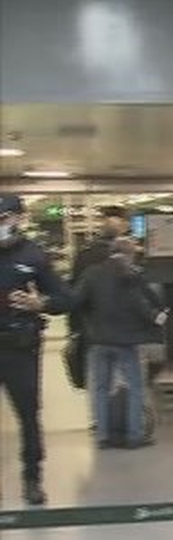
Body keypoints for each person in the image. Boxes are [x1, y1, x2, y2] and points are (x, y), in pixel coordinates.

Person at [0, 194, 71, 505]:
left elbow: (64, 299)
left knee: (29, 416)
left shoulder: (34, 255)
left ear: (18, 218)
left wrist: (39, 302)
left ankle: (32, 478)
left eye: (4, 219)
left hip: (20, 349)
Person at [72, 237, 167, 450]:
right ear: (131, 254)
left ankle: (103, 437)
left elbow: (75, 301)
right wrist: (156, 318)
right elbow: (149, 303)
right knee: (135, 388)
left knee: (100, 388)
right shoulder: (132, 275)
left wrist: (88, 322)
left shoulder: (92, 273)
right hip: (126, 341)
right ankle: (133, 435)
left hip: (98, 340)